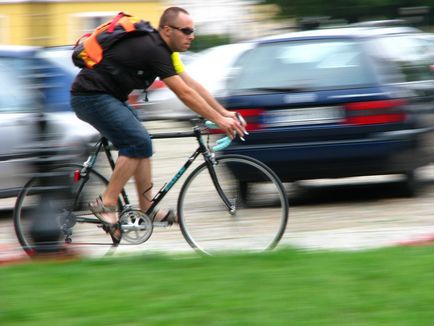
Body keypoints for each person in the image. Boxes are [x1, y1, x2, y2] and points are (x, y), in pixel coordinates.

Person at [70, 7, 245, 240]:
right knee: (136, 141)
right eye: (186, 31)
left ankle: (147, 209)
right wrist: (219, 121)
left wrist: (224, 113)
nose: (191, 36)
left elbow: (192, 86)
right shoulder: (154, 49)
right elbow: (183, 93)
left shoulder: (165, 50)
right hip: (90, 97)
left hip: (107, 97)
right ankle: (106, 203)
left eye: (192, 31)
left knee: (143, 144)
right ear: (167, 30)